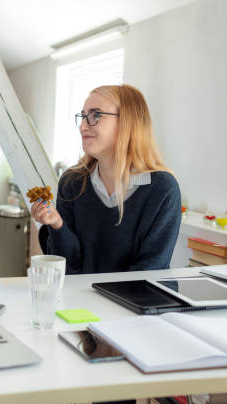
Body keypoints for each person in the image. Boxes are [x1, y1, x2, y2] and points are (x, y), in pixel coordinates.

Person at [31, 84, 181, 276]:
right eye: (83, 116)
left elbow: (151, 270)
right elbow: (68, 268)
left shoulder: (162, 188)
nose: (83, 126)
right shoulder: (72, 182)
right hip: (84, 299)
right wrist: (58, 225)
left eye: (96, 115)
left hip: (137, 301)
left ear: (128, 122)